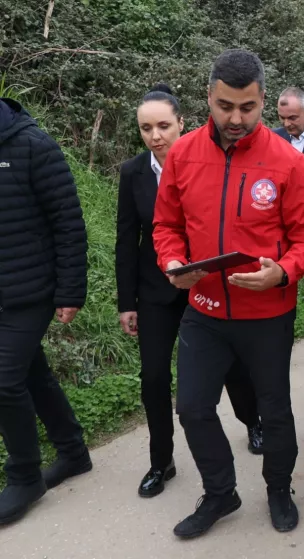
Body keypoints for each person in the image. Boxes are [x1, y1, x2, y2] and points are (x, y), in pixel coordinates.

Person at [153, 49, 304, 538]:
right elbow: (167, 224)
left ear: (263, 101)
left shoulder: (288, 163)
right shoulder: (183, 154)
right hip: (203, 309)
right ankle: (220, 492)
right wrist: (172, 262)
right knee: (192, 407)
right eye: (225, 105)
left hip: (267, 313)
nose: (235, 118)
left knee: (274, 410)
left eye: (247, 107)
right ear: (208, 97)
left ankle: (277, 488)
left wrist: (283, 272)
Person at [116, 84, 266, 498]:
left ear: (182, 123)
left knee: (231, 365)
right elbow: (128, 241)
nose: (156, 136)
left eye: (164, 125)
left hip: (209, 284)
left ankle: (252, 422)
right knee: (154, 377)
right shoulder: (134, 173)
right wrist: (126, 302)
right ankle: (160, 461)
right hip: (157, 291)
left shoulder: (210, 163)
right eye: (146, 128)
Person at [0, 95, 90, 525]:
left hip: (31, 289)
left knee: (2, 381)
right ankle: (72, 451)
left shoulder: (32, 145)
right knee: (29, 372)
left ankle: (24, 476)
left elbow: (68, 221)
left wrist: (70, 292)